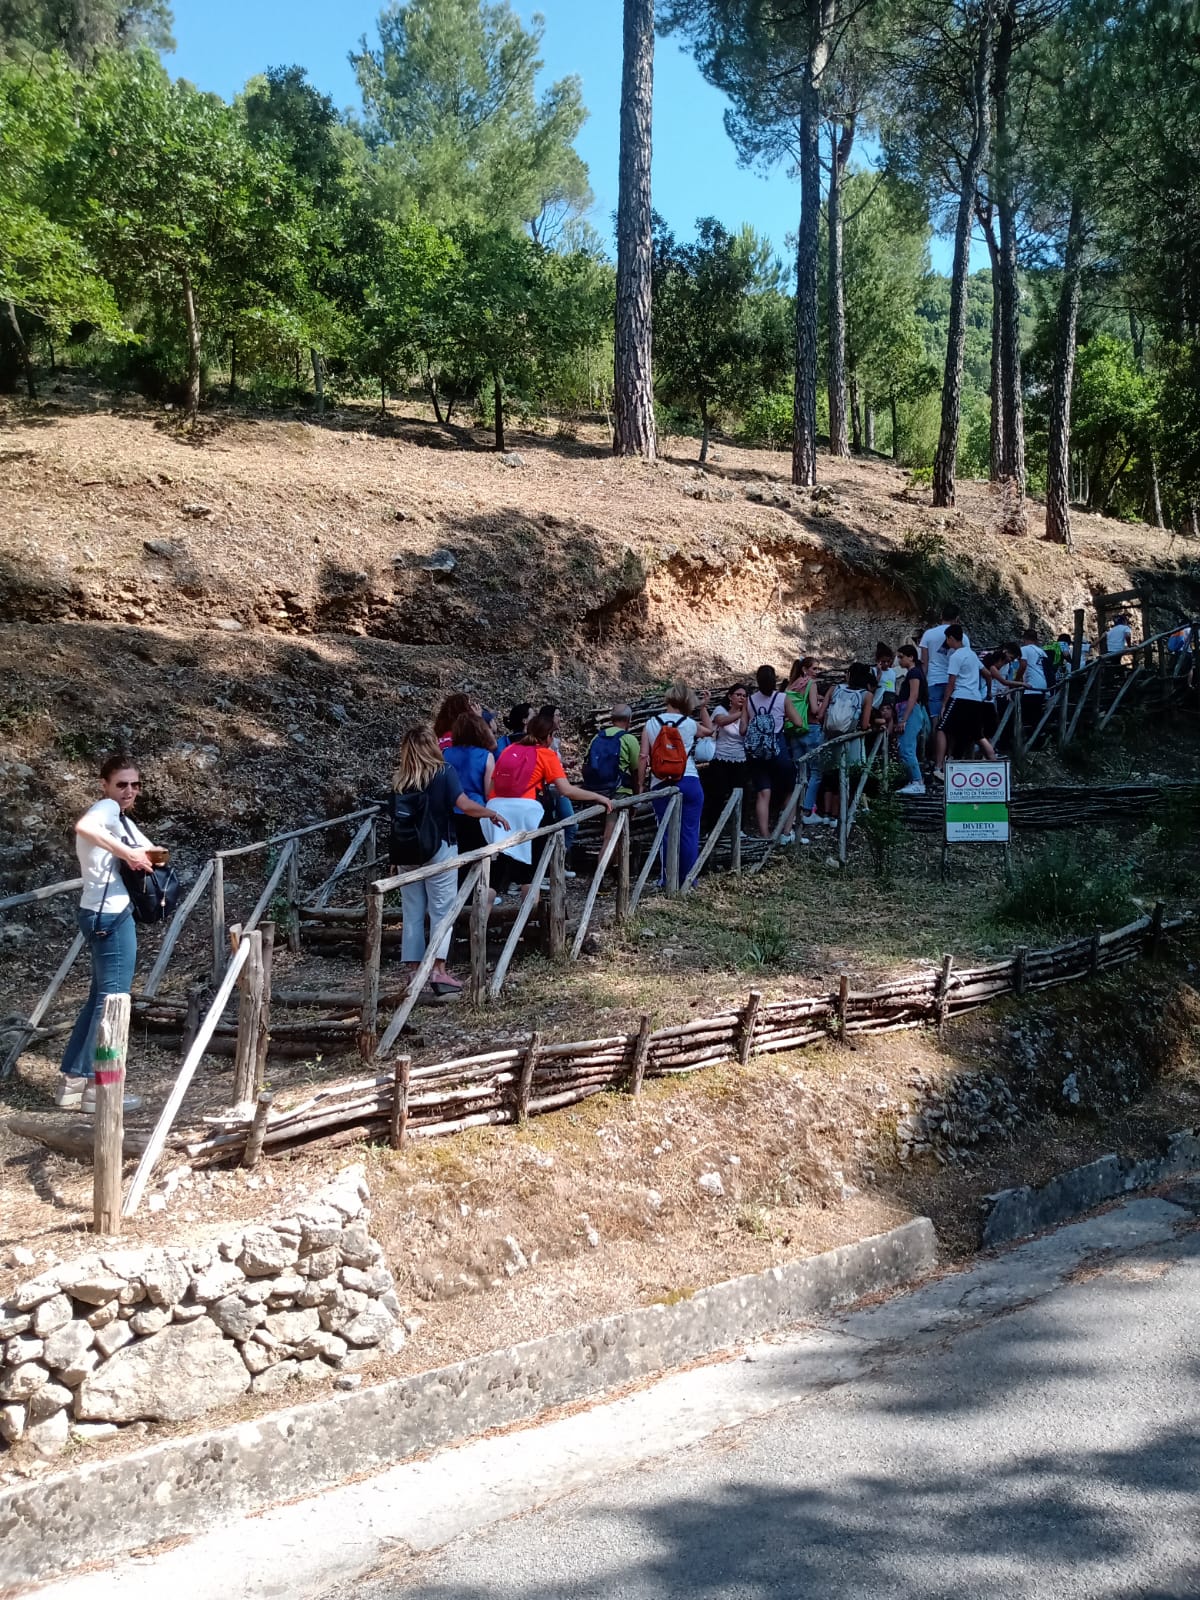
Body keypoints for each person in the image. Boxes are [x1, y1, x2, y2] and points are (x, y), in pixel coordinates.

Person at [57, 756, 164, 1111]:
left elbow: (149, 853)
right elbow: (84, 827)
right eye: (122, 784)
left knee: (98, 1000)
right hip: (111, 916)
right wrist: (129, 854)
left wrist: (140, 853)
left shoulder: (120, 820)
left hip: (98, 913)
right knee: (113, 1003)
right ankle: (99, 1090)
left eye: (135, 784)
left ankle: (72, 1082)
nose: (129, 791)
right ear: (104, 785)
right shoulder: (104, 809)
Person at [390, 724, 509, 996]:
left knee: (412, 913)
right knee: (442, 910)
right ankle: (438, 970)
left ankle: (413, 971)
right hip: (440, 847)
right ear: (432, 745)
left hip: (407, 852)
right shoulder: (444, 773)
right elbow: (464, 805)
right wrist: (489, 814)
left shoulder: (401, 779)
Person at [491, 713, 613, 896]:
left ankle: (481, 920)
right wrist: (597, 797)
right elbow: (566, 790)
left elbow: (491, 786)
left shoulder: (509, 750)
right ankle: (527, 919)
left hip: (496, 811)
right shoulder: (546, 754)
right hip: (527, 813)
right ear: (548, 736)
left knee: (495, 873)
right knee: (530, 875)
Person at [638, 682, 711, 882]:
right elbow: (709, 731)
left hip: (661, 783)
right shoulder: (689, 724)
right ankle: (689, 880)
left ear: (668, 699)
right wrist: (703, 707)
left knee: (667, 832)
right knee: (689, 833)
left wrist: (641, 784)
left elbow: (644, 756)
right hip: (689, 780)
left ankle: (667, 879)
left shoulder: (651, 723)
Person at [811, 665, 874, 822]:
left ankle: (826, 814)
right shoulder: (866, 695)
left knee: (829, 777)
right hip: (850, 742)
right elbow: (865, 724)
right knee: (845, 778)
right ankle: (838, 815)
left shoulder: (834, 689)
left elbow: (820, 714)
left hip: (829, 740)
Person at [933, 624, 996, 774]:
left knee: (941, 728)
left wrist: (944, 704)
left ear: (951, 638)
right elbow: (987, 674)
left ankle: (938, 767)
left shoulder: (956, 656)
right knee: (977, 734)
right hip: (975, 699)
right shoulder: (972, 654)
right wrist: (988, 692)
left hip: (960, 697)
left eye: (947, 640)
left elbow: (951, 682)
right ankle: (994, 762)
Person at [744, 665, 795, 840]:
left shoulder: (749, 701)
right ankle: (786, 832)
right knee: (791, 789)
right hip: (777, 750)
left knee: (763, 793)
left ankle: (765, 836)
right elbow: (798, 722)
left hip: (756, 753)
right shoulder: (782, 698)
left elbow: (743, 729)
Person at [583, 704, 641, 844]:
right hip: (618, 793)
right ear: (629, 719)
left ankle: (612, 865)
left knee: (612, 837)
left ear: (611, 719)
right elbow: (637, 771)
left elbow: (586, 764)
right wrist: (636, 799)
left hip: (597, 792)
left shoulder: (597, 738)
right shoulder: (629, 740)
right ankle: (603, 866)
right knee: (610, 839)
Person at [443, 711, 498, 858]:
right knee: (475, 860)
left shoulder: (445, 754)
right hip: (476, 812)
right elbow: (488, 792)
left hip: (448, 814)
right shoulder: (486, 756)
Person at [703, 684, 749, 830]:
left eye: (744, 695)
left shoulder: (747, 714)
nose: (742, 697)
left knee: (741, 794)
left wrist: (745, 714)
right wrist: (742, 713)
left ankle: (739, 829)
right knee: (717, 794)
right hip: (720, 758)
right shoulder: (720, 710)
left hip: (740, 758)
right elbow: (721, 721)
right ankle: (711, 828)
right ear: (730, 696)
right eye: (738, 694)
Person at [919, 603, 970, 724]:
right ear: (957, 619)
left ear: (941, 615)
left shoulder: (928, 634)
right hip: (954, 682)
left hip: (933, 680)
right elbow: (965, 664)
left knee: (935, 719)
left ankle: (935, 742)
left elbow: (924, 663)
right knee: (952, 720)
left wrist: (922, 683)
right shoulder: (963, 638)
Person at [894, 644, 930, 795]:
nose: (899, 660)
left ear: (911, 657)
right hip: (910, 710)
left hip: (911, 710)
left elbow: (913, 695)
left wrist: (904, 719)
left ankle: (917, 781)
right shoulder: (914, 672)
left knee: (907, 747)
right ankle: (913, 780)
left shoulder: (914, 673)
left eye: (901, 657)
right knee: (906, 747)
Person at [1014, 627, 1049, 731]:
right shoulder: (1042, 652)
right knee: (1037, 713)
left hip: (1031, 685)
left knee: (1027, 714)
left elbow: (1023, 665)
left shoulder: (1024, 649)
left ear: (1025, 639)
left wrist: (1016, 679)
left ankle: (1032, 738)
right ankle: (1039, 737)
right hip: (1043, 684)